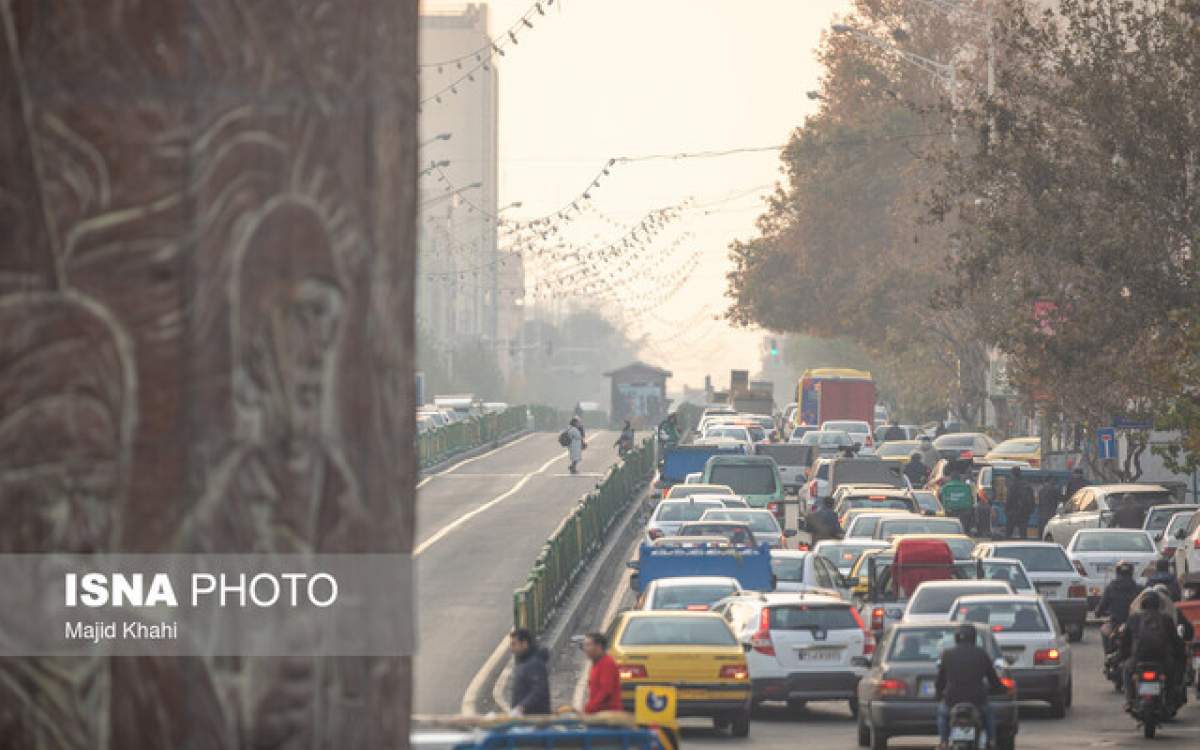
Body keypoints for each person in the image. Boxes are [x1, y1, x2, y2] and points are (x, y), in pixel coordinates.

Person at [935, 624, 1003, 750]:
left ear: (956, 638)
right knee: (989, 714)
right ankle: (992, 741)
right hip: (978, 700)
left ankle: (943, 742)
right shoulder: (982, 654)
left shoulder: (947, 654)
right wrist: (998, 689)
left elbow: (940, 681)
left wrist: (938, 694)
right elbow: (993, 679)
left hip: (951, 700)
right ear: (974, 638)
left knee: (942, 714)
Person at [1118, 591, 1185, 708]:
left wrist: (1123, 656)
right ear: (1159, 605)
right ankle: (1169, 700)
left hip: (1139, 658)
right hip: (1162, 659)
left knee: (1126, 670)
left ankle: (1129, 700)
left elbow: (1125, 641)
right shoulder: (1166, 619)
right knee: (1172, 675)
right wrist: (1180, 655)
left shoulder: (1134, 619)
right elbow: (1175, 641)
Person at [1096, 561, 1143, 651]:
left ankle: (1109, 653)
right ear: (1131, 573)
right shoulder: (1139, 589)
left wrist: (1098, 612)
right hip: (1135, 625)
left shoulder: (1110, 588)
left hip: (1116, 624)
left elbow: (1101, 607)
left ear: (1117, 573)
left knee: (1104, 629)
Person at [510, 628, 550, 715]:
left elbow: (539, 690)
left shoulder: (535, 663)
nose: (512, 649)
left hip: (535, 722)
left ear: (524, 644)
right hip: (525, 720)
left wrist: (521, 707)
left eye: (514, 644)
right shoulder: (525, 662)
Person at [582, 632, 622, 714]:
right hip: (597, 712)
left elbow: (606, 691)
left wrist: (590, 707)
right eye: (584, 645)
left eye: (588, 645)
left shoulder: (607, 663)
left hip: (607, 715)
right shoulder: (596, 663)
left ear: (599, 646)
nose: (585, 649)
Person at [939, 467, 974, 532]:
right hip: (964, 510)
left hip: (949, 511)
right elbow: (971, 499)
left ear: (951, 478)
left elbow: (941, 499)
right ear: (960, 478)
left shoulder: (945, 487)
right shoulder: (966, 487)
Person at [1004, 467, 1034, 539]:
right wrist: (1029, 511)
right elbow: (1032, 500)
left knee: (1008, 534)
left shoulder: (1012, 485)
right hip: (1024, 513)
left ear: (1013, 474)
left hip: (1013, 513)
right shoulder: (1027, 485)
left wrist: (1006, 511)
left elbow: (1009, 499)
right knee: (1023, 533)